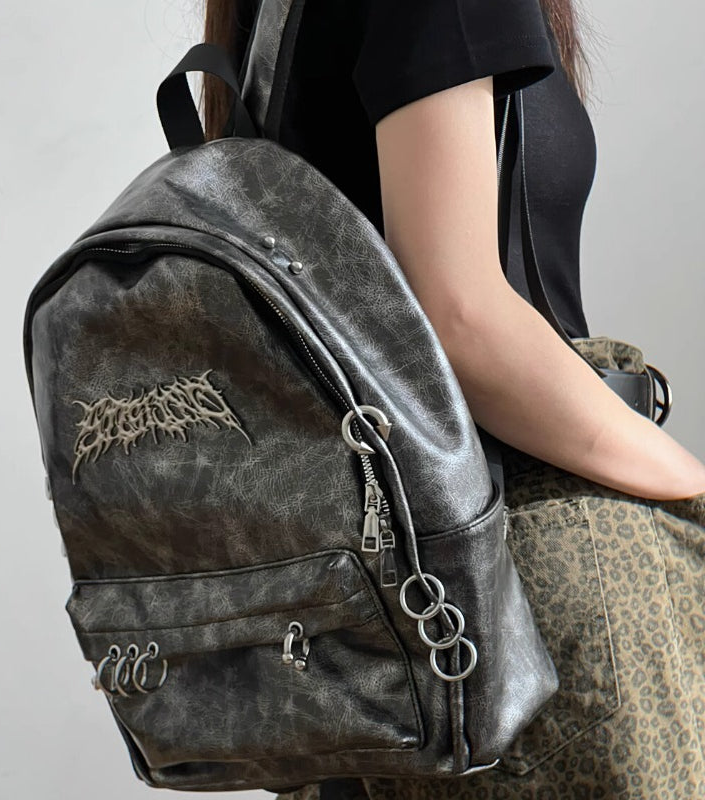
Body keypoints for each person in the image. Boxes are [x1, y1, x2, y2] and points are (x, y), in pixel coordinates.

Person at [204, 1, 705, 797]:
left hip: (368, 627)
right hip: (519, 594)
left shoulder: (264, 22)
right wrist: (692, 489)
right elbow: (462, 321)